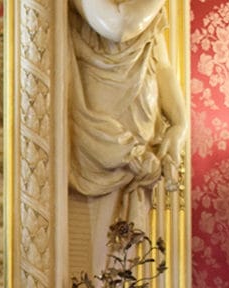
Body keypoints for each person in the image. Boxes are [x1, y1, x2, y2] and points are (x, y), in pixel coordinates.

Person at [68, 0, 187, 233]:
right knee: (97, 234)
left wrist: (179, 122)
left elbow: (162, 65)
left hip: (142, 110)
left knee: (130, 244)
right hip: (103, 124)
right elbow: (119, 25)